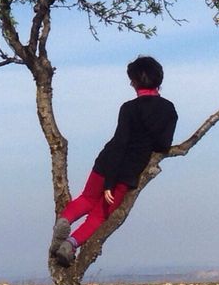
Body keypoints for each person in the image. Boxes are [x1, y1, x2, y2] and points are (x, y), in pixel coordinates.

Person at [50, 55, 178, 267]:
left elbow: (120, 142)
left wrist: (107, 179)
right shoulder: (169, 110)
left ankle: (64, 221)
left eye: (131, 80)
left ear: (136, 82)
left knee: (86, 199)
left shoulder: (128, 108)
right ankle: (70, 244)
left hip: (106, 162)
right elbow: (164, 144)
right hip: (129, 171)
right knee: (99, 216)